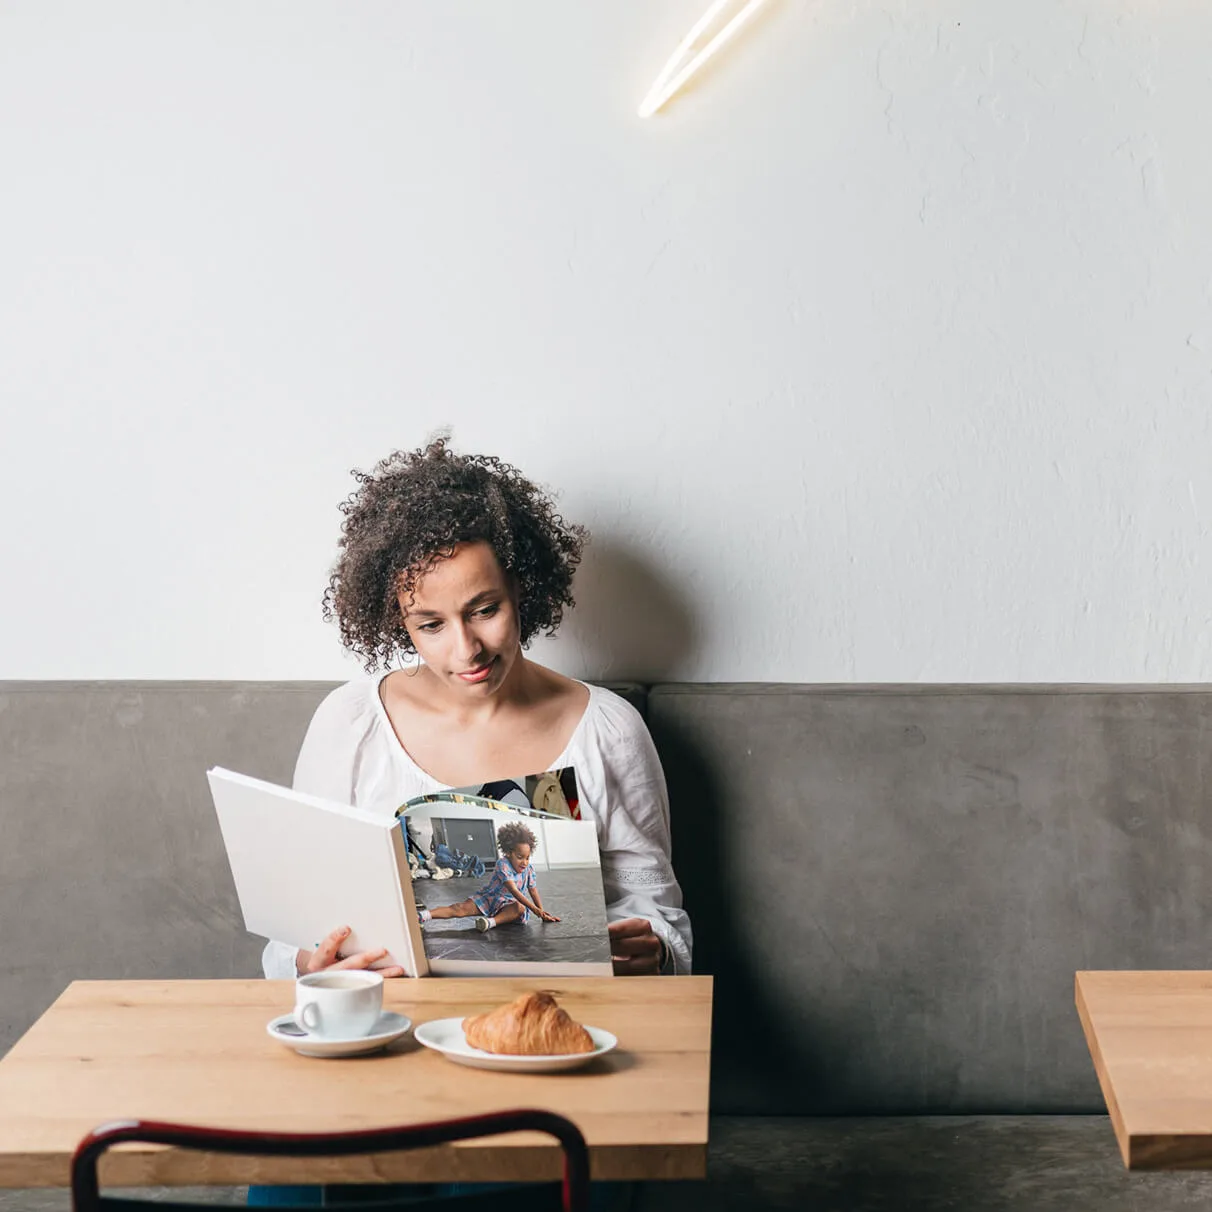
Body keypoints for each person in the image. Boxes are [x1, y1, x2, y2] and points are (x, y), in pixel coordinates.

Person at [261, 437, 692, 983]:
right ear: (398, 621)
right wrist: (314, 960)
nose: (467, 650)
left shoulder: (605, 729)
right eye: (430, 625)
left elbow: (661, 913)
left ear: (523, 589)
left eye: (485, 610)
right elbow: (292, 928)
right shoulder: (352, 724)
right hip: (394, 1034)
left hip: (558, 1030)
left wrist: (652, 949)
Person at [418, 821, 559, 930]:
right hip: (489, 899)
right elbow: (514, 891)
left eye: (527, 857)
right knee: (459, 908)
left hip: (509, 905)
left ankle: (490, 923)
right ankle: (424, 915)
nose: (524, 862)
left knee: (520, 908)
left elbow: (533, 890)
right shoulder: (502, 864)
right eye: (520, 857)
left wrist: (542, 912)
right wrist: (535, 910)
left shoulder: (529, 870)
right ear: (509, 853)